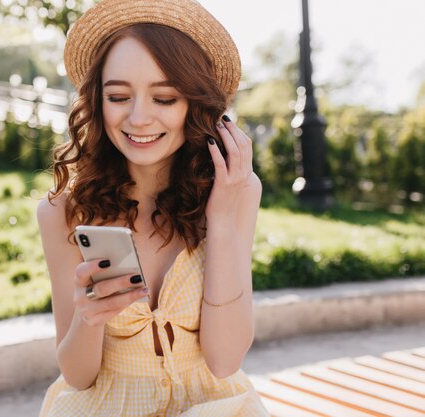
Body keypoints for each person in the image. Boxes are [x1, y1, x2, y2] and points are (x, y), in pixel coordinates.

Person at [36, 0, 269, 415]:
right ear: (97, 100)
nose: (139, 117)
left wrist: (220, 219)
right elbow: (76, 374)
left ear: (194, 105)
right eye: (118, 96)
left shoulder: (238, 193)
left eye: (164, 98)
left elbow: (225, 359)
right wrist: (88, 317)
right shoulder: (64, 212)